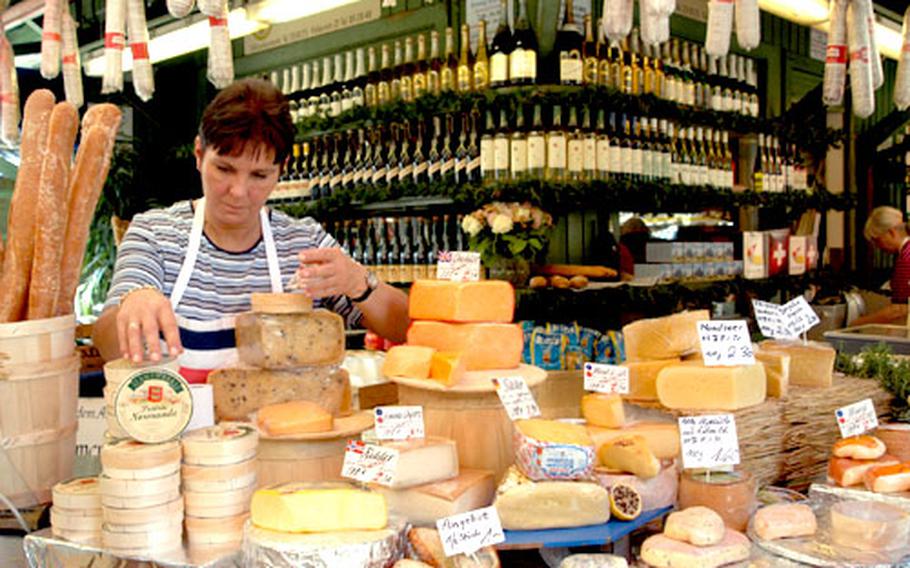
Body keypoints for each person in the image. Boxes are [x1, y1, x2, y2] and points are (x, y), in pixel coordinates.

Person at [93, 78, 409, 382]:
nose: (238, 191)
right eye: (225, 169)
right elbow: (107, 345)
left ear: (280, 171)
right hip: (180, 431)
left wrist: (358, 283)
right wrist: (132, 304)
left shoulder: (303, 243)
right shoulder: (154, 235)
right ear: (200, 154)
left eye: (259, 175)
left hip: (283, 432)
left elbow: (404, 327)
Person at [853, 206, 910, 326]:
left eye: (878, 240)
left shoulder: (906, 259)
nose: (878, 246)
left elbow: (899, 309)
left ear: (891, 232)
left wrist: (857, 324)